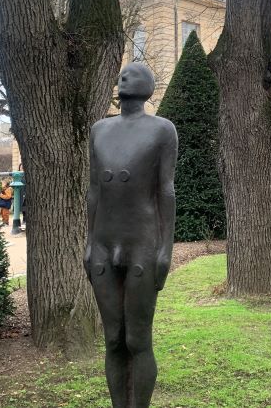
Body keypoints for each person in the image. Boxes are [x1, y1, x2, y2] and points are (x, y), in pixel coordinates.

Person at [86, 62, 177, 408]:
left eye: (133, 73)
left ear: (148, 86)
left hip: (142, 245)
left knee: (138, 339)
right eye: (122, 73)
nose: (123, 76)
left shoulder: (162, 130)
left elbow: (166, 191)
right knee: (113, 339)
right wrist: (89, 241)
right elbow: (94, 190)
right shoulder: (99, 129)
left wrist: (164, 248)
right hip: (104, 246)